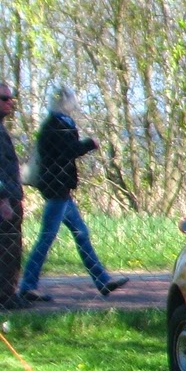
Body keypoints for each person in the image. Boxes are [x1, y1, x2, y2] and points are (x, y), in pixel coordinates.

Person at [16, 85, 128, 302]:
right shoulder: (55, 125)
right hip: (56, 190)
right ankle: (27, 285)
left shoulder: (59, 123)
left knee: (81, 234)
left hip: (61, 190)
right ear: (65, 102)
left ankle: (102, 280)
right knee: (47, 238)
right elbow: (69, 150)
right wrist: (89, 144)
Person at [0, 82, 23, 309]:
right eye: (4, 98)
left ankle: (9, 293)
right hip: (5, 201)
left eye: (10, 98)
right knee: (7, 248)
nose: (9, 102)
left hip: (12, 196)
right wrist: (4, 199)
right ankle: (5, 296)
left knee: (13, 246)